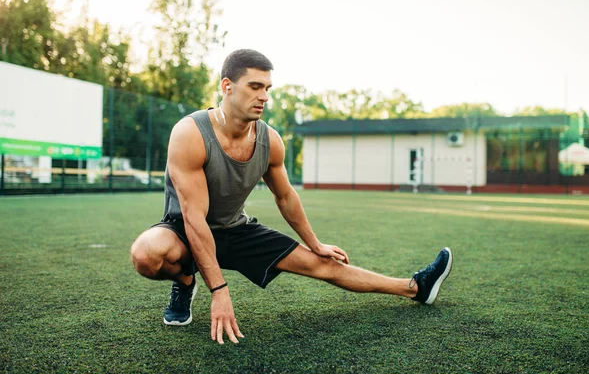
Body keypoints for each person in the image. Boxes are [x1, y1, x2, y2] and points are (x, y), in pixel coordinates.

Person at [130, 49, 453, 345]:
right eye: (255, 86)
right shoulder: (190, 133)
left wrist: (315, 244)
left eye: (268, 88)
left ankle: (414, 287)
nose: (264, 96)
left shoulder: (270, 140)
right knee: (148, 253)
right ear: (227, 86)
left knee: (324, 265)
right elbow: (193, 216)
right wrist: (219, 290)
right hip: (185, 230)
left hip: (235, 229)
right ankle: (185, 281)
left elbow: (285, 196)